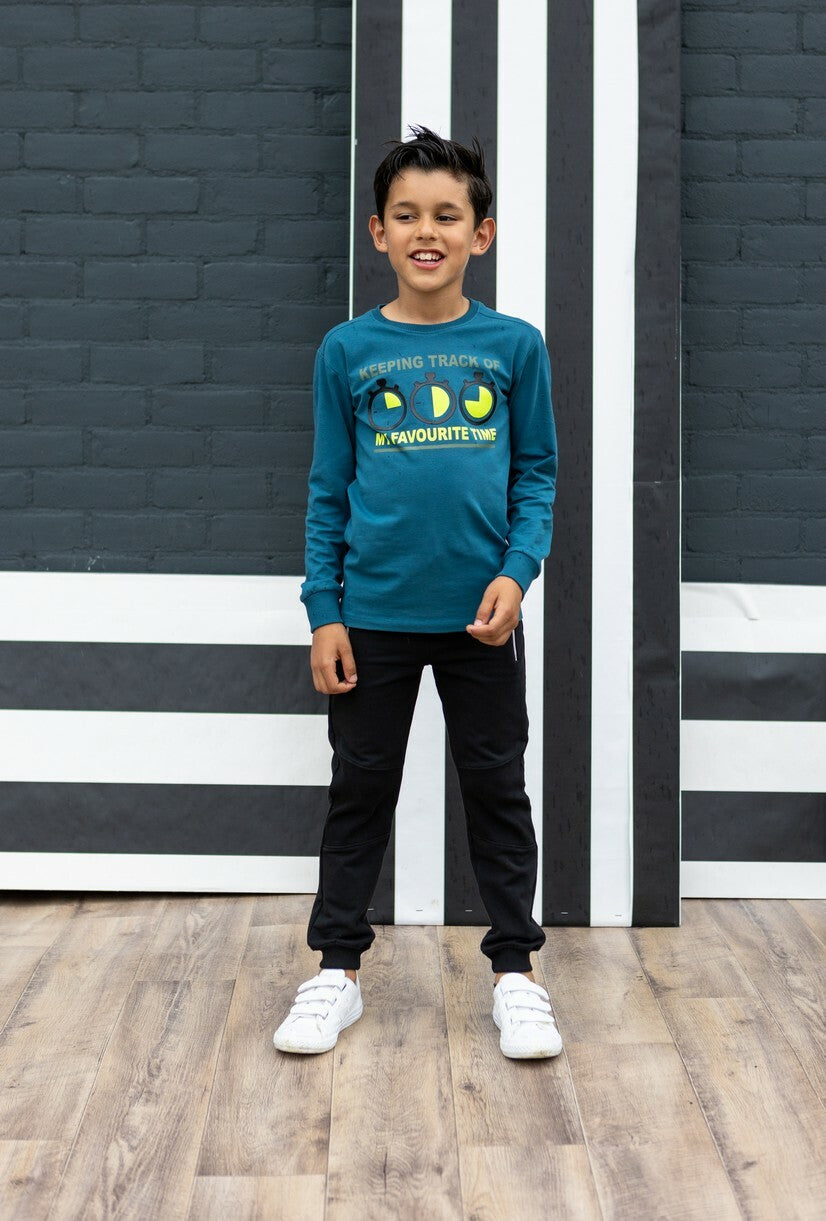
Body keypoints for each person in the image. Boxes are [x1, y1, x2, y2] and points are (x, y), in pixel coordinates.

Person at [273, 126, 561, 1060]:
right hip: (373, 619)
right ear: (379, 232)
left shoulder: (514, 347)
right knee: (360, 790)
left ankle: (516, 974)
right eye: (406, 216)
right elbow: (326, 489)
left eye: (446, 215)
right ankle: (336, 971)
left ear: (482, 233)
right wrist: (325, 612)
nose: (426, 231)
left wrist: (516, 573)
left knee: (497, 790)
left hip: (482, 621)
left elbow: (537, 476)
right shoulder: (347, 350)